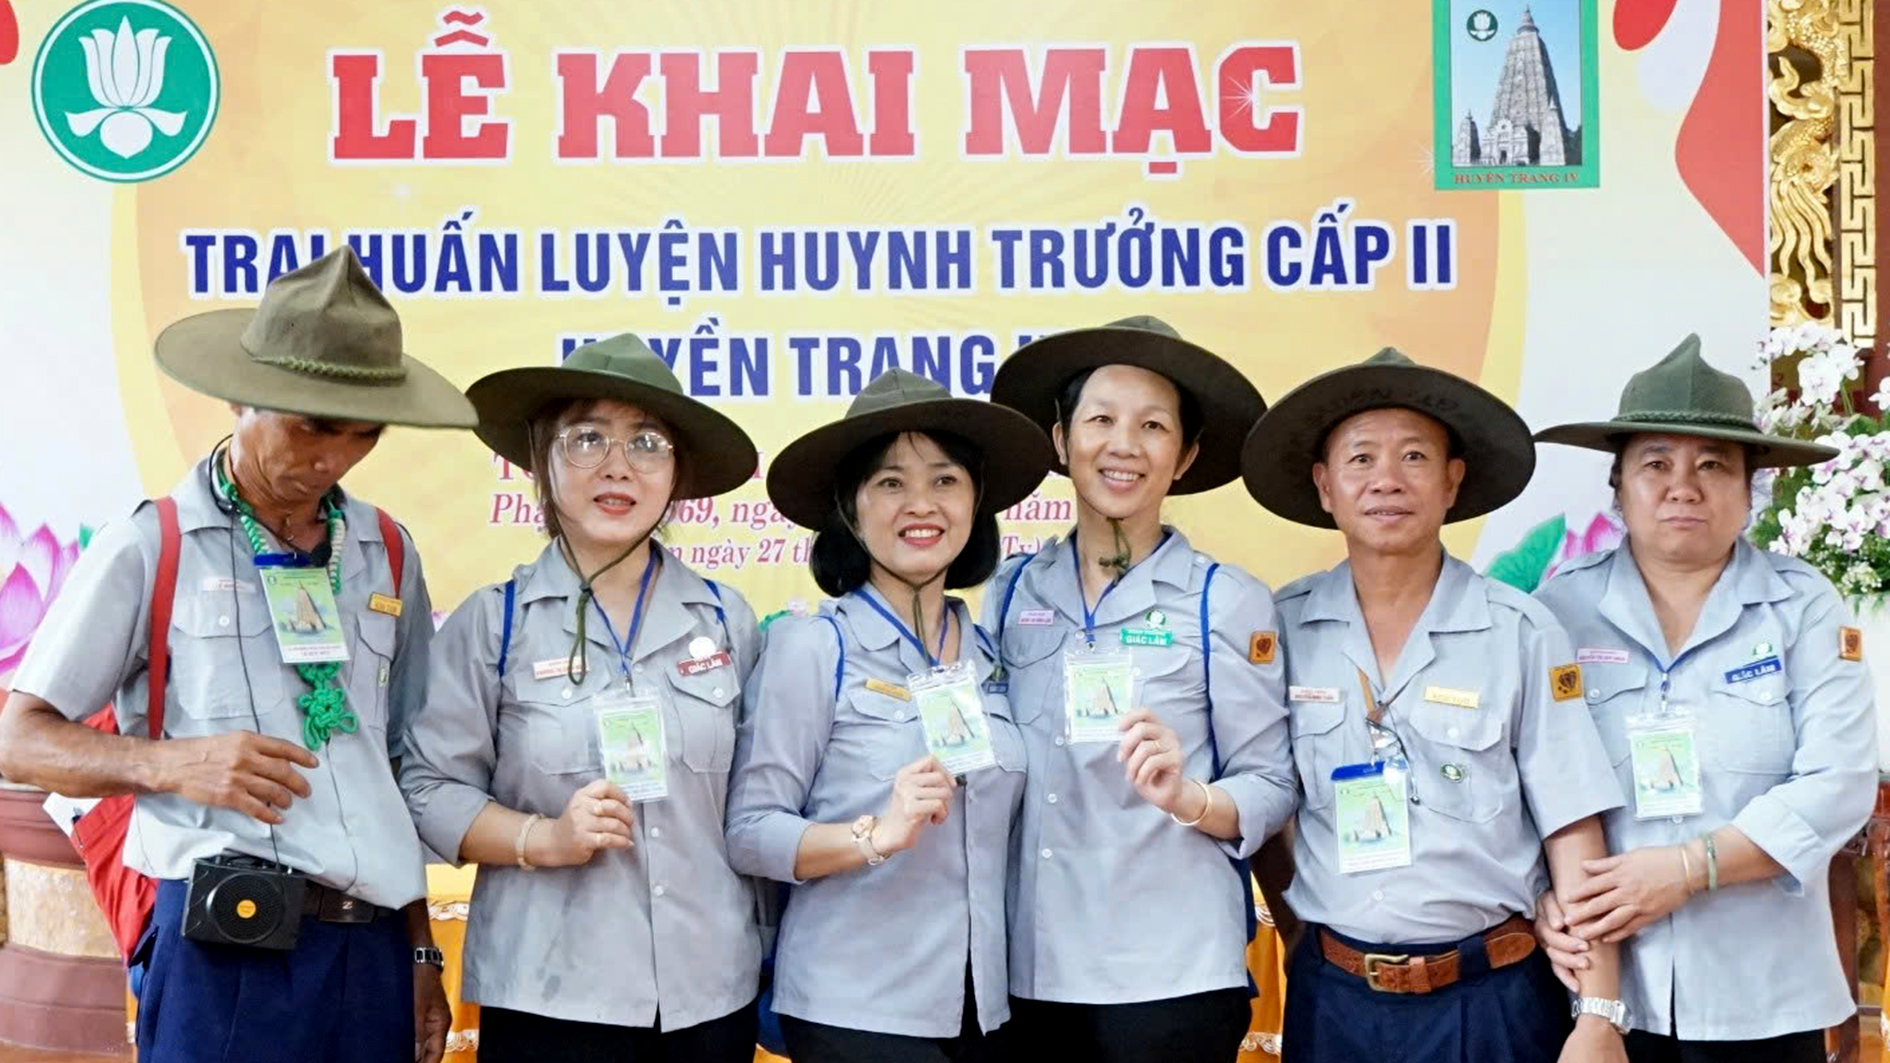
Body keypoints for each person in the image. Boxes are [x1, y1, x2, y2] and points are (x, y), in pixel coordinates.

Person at [0, 247, 475, 1063]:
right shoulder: (152, 545)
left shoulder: (388, 551)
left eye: (363, 433)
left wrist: (422, 951)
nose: (332, 458)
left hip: (371, 959)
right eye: (310, 425)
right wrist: (171, 763)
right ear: (239, 396)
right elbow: (20, 739)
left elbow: (399, 769)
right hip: (223, 950)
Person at [1242, 347, 1628, 1063]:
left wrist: (1599, 1012)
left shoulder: (1520, 630)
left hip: (1493, 998)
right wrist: (1307, 937)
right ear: (1324, 485)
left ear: (1453, 481)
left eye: (1414, 456)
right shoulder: (1282, 627)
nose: (1386, 479)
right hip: (1335, 1002)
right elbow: (1264, 798)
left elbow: (1574, 827)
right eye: (1360, 459)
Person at [399, 334, 766, 1062]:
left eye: (648, 443)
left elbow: (759, 807)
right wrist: (544, 839)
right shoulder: (494, 622)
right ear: (542, 460)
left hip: (710, 994)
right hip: (549, 994)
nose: (617, 465)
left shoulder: (728, 621)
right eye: (587, 438)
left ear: (678, 472)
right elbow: (427, 788)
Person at [1531, 334, 1878, 1063]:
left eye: (1713, 465)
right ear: (1619, 486)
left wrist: (1691, 867)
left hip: (1764, 997)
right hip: (1604, 997)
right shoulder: (1556, 612)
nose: (1682, 487)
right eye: (1655, 464)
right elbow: (1525, 784)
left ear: (1750, 490)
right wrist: (1539, 896)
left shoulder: (1804, 607)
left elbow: (1839, 781)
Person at [983, 315, 1298, 1063]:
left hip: (1172, 976)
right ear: (1061, 440)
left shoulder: (1225, 599)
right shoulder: (1010, 591)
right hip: (1032, 970)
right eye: (1100, 420)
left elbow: (1272, 782)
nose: (1123, 445)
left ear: (1184, 455)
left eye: (1153, 426)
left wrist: (1191, 797)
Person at [726, 369, 1054, 1062]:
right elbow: (751, 833)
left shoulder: (994, 654)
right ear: (851, 508)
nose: (921, 504)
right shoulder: (814, 646)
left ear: (975, 502)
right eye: (891, 482)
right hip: (856, 1008)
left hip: (987, 1008)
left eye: (945, 480)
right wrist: (876, 833)